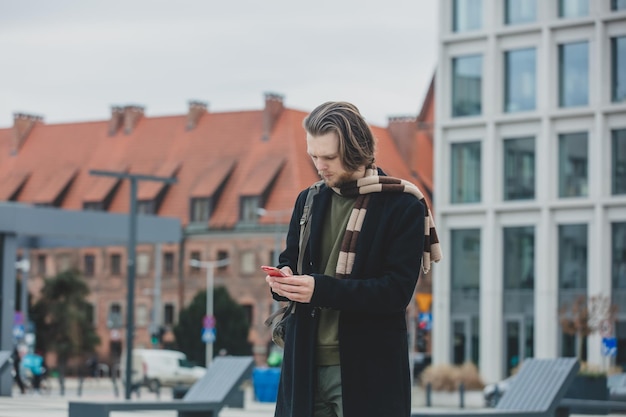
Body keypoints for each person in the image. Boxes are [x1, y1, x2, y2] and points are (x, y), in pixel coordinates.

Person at [265, 101, 442, 417]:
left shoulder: (402, 205)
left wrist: (319, 289)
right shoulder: (308, 200)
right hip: (303, 362)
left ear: (356, 150)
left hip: (368, 368)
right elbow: (289, 259)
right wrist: (282, 280)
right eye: (314, 156)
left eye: (329, 157)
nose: (320, 166)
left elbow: (394, 293)